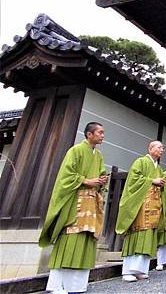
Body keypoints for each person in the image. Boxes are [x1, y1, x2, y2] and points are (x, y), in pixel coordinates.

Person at [39, 122, 108, 294]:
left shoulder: (98, 155)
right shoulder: (75, 151)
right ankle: (56, 285)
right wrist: (85, 180)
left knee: (86, 238)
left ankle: (77, 285)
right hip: (75, 202)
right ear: (89, 134)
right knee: (69, 237)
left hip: (91, 203)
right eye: (100, 132)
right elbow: (66, 175)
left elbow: (100, 173)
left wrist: (101, 181)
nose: (102, 136)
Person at [116, 141, 165, 282]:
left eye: (162, 148)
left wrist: (162, 184)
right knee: (137, 233)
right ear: (150, 148)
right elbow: (133, 179)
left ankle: (141, 269)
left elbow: (162, 184)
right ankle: (127, 271)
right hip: (141, 203)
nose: (161, 149)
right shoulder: (141, 162)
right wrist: (152, 181)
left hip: (154, 205)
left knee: (149, 234)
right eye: (159, 147)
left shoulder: (159, 168)